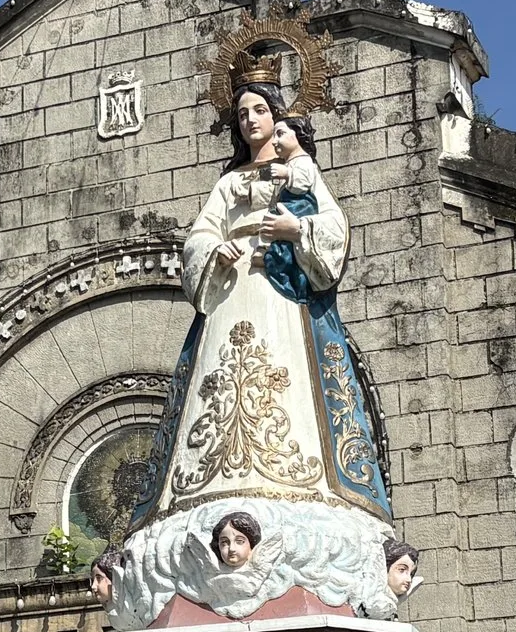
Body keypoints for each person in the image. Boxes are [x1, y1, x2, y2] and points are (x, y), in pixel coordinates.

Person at [137, 80, 391, 527]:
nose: (251, 120)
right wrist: (216, 250)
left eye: (259, 110)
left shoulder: (300, 170)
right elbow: (201, 233)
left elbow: (332, 221)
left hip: (281, 291)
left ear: (277, 116)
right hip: (233, 289)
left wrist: (297, 231)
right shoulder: (230, 182)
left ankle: (300, 479)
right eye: (242, 114)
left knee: (285, 372)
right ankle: (206, 483)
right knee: (221, 374)